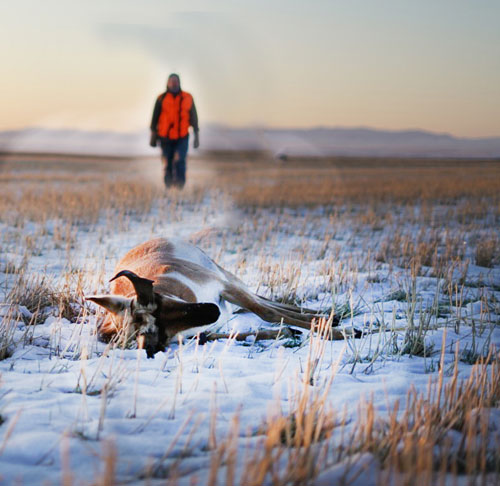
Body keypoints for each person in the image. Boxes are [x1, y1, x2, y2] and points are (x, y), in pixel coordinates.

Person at [150, 73, 199, 188]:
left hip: (182, 136)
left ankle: (179, 188)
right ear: (167, 83)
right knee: (167, 162)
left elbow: (194, 117)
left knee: (180, 161)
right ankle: (168, 187)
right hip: (164, 136)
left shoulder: (188, 97)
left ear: (179, 82)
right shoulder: (161, 98)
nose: (174, 83)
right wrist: (153, 135)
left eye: (176, 81)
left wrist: (196, 135)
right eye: (171, 81)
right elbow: (154, 118)